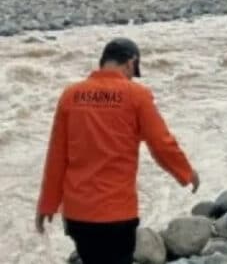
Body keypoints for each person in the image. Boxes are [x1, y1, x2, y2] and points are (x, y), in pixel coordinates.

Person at [36, 38, 199, 264]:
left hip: (78, 215)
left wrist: (47, 204)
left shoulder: (70, 95)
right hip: (117, 213)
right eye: (133, 71)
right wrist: (186, 173)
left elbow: (57, 155)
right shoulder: (137, 96)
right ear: (131, 63)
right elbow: (161, 143)